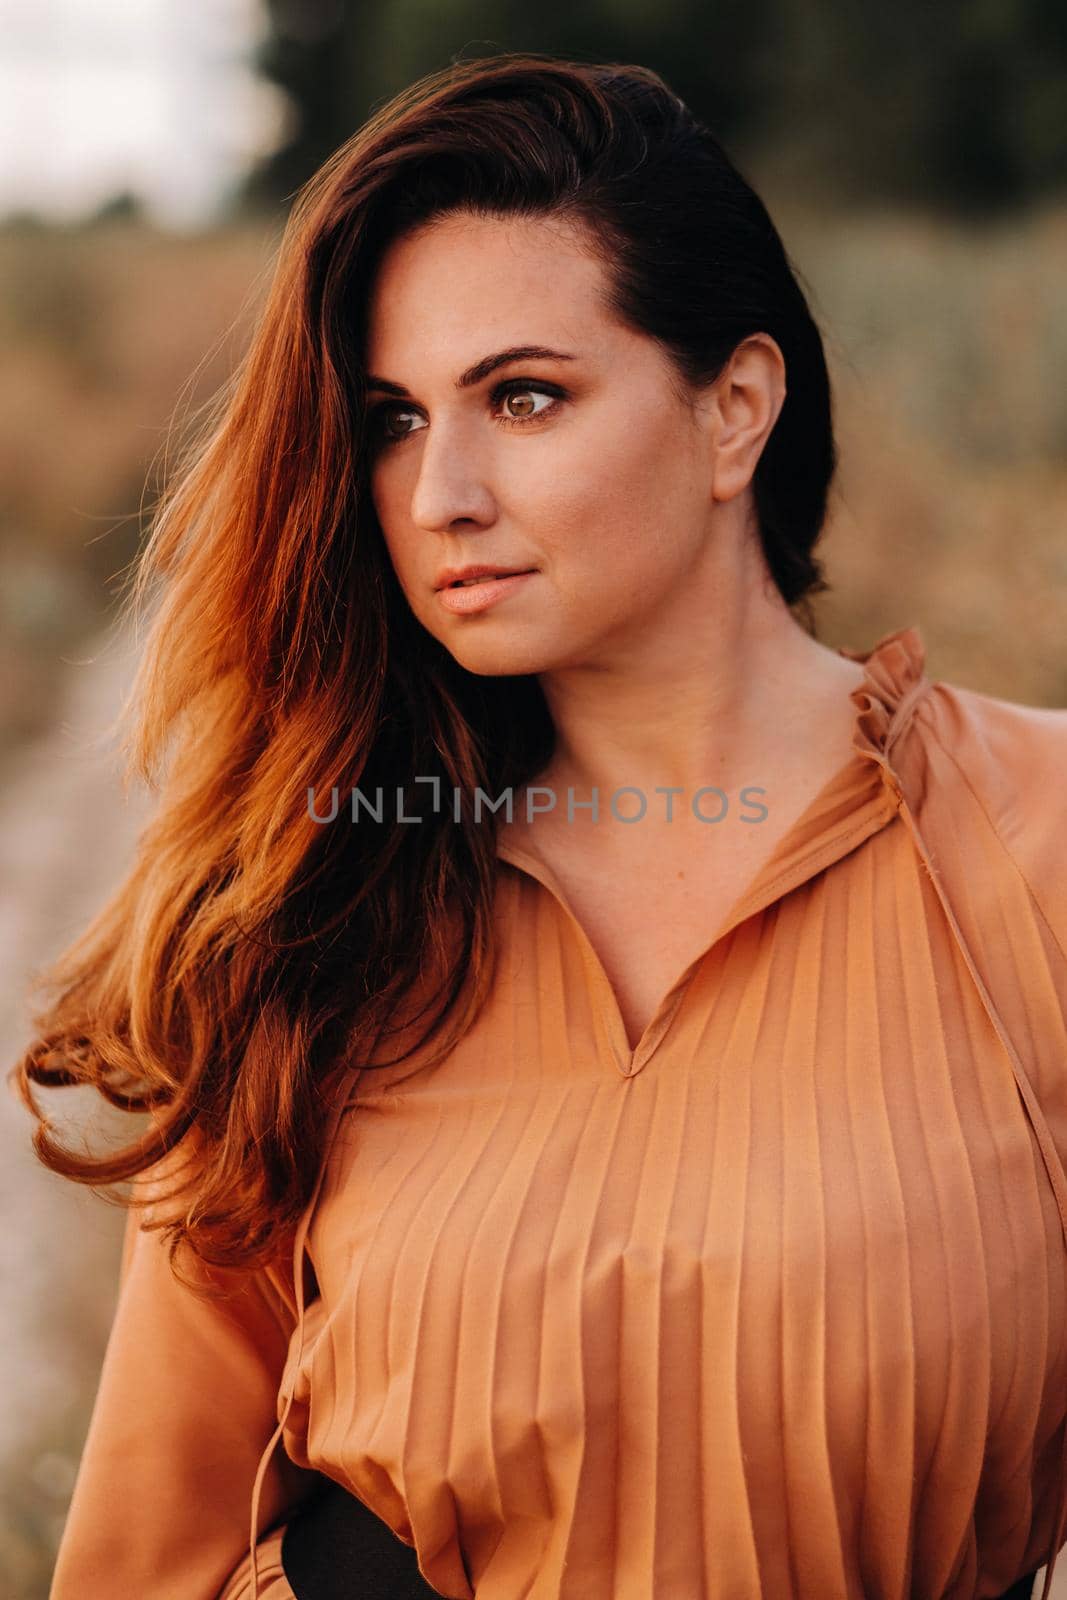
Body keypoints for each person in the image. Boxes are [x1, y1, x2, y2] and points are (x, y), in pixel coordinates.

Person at [12, 51, 1067, 1600]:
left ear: (736, 408)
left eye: (523, 397)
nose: (439, 491)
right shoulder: (312, 911)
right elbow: (148, 1559)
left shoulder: (1034, 844)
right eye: (389, 419)